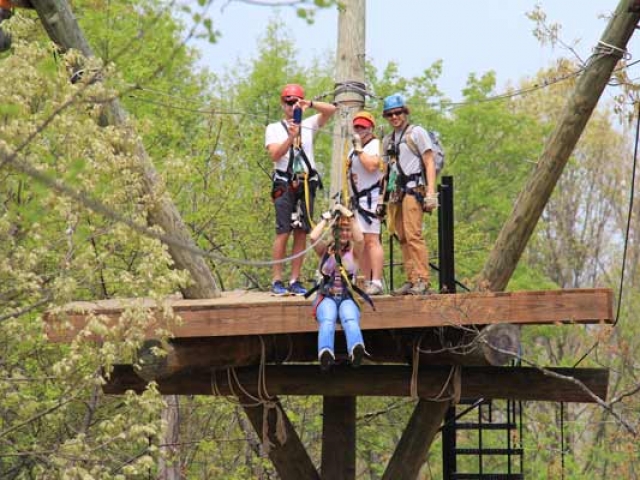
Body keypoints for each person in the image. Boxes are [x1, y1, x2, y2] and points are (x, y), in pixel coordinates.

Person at [265, 83, 337, 296]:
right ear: (282, 103)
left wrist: (310, 104)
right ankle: (277, 279)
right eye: (288, 102)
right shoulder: (274, 128)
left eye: (295, 102)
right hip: (284, 183)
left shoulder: (309, 123)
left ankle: (295, 279)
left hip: (305, 183)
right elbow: (275, 155)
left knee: (301, 232)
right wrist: (291, 136)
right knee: (283, 231)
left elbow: (332, 110)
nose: (291, 106)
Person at [381, 93, 438, 295]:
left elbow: (429, 161)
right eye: (390, 114)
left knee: (413, 234)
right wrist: (382, 199)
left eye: (398, 113)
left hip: (414, 188)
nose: (394, 117)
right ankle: (412, 278)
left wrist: (431, 192)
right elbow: (387, 172)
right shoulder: (388, 139)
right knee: (402, 236)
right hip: (397, 192)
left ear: (405, 112)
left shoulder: (416, 133)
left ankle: (423, 279)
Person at [309, 204, 367, 371]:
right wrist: (326, 218)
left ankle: (356, 348)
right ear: (334, 232)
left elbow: (360, 239)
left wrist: (350, 217)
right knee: (328, 318)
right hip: (327, 297)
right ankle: (325, 351)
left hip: (346, 297)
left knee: (349, 317)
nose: (344, 233)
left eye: (347, 230)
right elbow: (313, 238)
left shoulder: (354, 253)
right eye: (341, 230)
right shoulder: (325, 252)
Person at [347, 111, 384, 295]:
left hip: (371, 199)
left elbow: (371, 166)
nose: (360, 130)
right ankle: (366, 278)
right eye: (357, 127)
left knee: (371, 240)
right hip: (356, 200)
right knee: (358, 241)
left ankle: (376, 280)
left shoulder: (375, 145)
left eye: (363, 126)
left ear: (370, 128)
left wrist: (360, 149)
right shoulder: (353, 148)